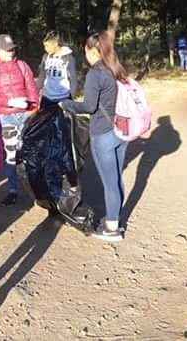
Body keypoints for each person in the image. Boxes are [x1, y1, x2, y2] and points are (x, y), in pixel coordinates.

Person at [59, 31, 128, 242]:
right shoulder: (116, 69)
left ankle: (112, 228)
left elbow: (89, 106)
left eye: (86, 51)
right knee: (116, 178)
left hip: (103, 132)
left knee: (109, 182)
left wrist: (67, 104)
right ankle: (114, 217)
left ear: (92, 50)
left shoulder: (95, 74)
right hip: (121, 130)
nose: (85, 56)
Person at [0, 33, 39, 206]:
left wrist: (33, 109)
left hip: (25, 115)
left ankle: (38, 189)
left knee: (31, 152)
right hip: (6, 117)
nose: (11, 53)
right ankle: (13, 190)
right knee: (11, 155)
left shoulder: (22, 66)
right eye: (7, 50)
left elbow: (32, 89)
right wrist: (10, 102)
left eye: (12, 49)